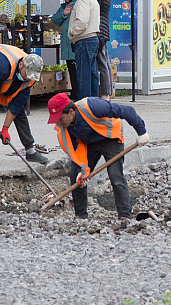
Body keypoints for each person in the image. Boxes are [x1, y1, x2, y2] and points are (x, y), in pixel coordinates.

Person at [47, 92, 149, 220]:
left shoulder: (93, 106)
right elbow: (75, 153)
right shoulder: (64, 130)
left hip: (110, 138)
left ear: (71, 111)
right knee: (76, 177)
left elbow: (127, 111)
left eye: (60, 118)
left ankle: (125, 216)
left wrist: (142, 132)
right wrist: (81, 170)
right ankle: (81, 217)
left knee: (115, 176)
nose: (59, 123)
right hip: (89, 144)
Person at [68, 0, 100, 100]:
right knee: (92, 74)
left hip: (84, 40)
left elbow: (81, 22)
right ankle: (94, 104)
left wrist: (71, 33)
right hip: (92, 39)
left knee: (83, 75)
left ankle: (84, 106)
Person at [86, 0, 113, 99]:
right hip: (104, 30)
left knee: (102, 65)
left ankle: (105, 95)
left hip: (98, 31)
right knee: (105, 64)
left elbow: (92, 13)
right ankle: (107, 94)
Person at [50, 0, 78, 99]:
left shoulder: (78, 4)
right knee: (72, 74)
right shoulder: (63, 6)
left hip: (75, 44)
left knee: (77, 75)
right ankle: (75, 95)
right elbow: (55, 20)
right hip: (67, 46)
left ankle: (77, 97)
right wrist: (64, 13)